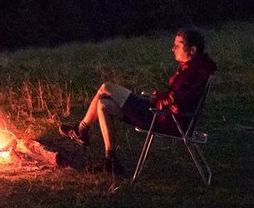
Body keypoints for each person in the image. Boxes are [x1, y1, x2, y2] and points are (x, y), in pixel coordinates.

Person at [60, 27, 217, 176]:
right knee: (103, 105)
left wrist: (157, 100)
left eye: (178, 45)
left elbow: (176, 100)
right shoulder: (195, 68)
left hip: (162, 119)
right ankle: (111, 161)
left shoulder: (194, 71)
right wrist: (159, 97)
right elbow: (178, 97)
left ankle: (81, 129)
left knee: (106, 87)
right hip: (164, 116)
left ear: (192, 50)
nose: (173, 49)